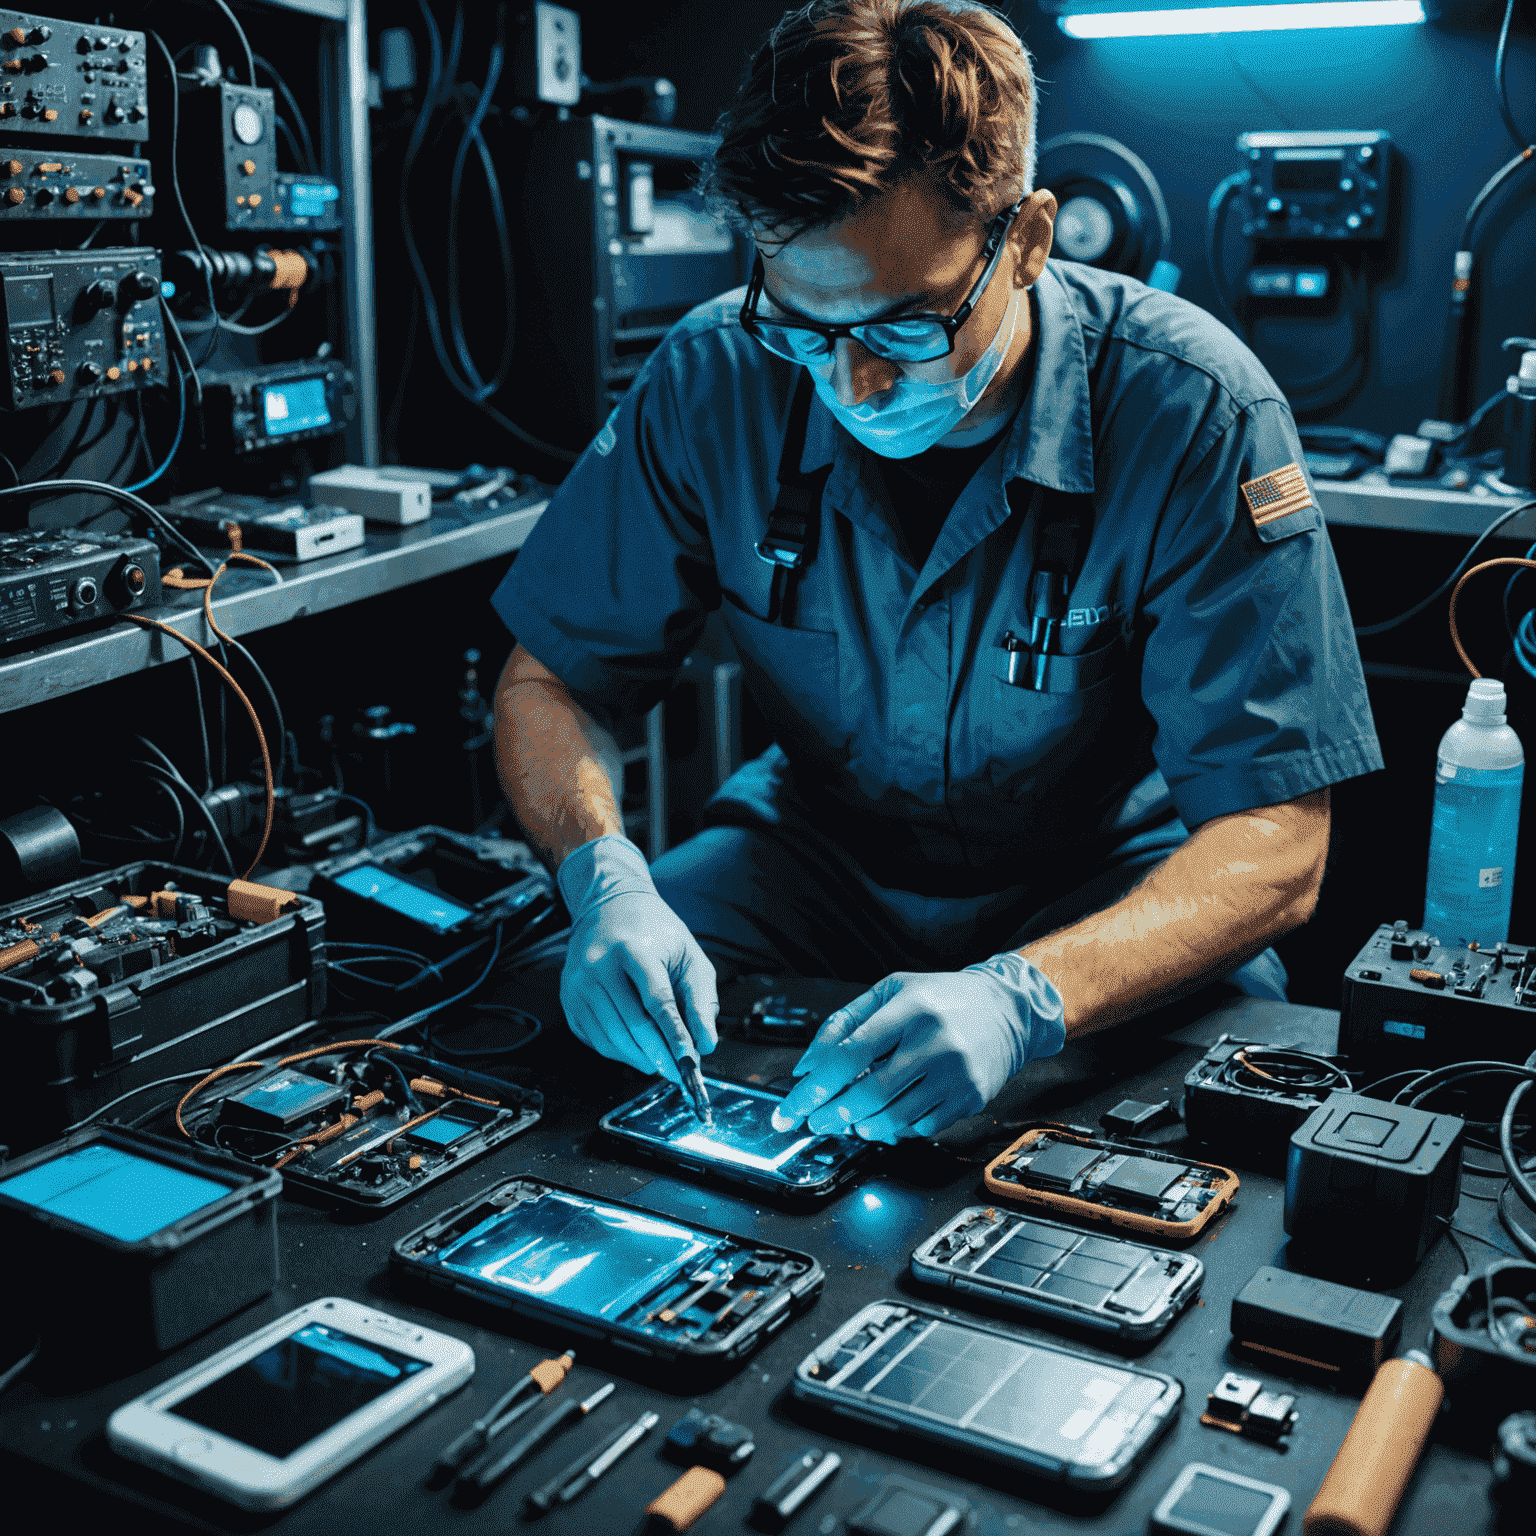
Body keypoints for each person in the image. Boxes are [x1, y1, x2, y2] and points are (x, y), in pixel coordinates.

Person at [491, 0, 1381, 1144]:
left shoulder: (1195, 410)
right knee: (572, 1042)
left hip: (1103, 881)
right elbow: (549, 682)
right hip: (811, 865)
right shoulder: (715, 372)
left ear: (1027, 240)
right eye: (805, 329)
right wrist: (604, 877)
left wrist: (1027, 1000)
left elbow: (1278, 842)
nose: (851, 386)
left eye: (904, 330)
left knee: (1216, 1119)